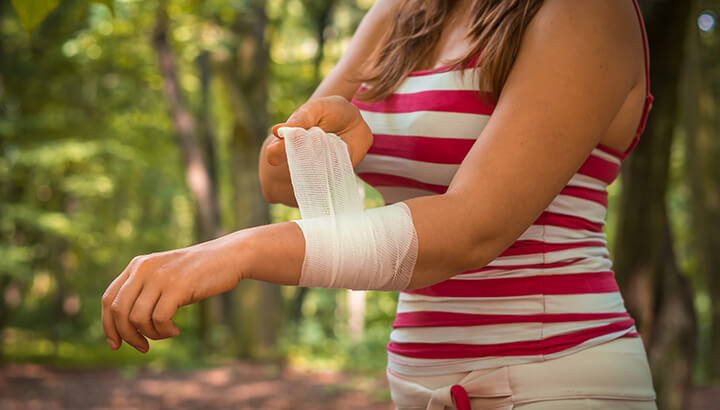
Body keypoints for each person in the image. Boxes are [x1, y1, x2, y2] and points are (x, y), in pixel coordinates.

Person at [102, 0, 657, 408]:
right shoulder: (405, 13)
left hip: (556, 380)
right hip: (417, 384)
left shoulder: (586, 12)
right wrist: (324, 141)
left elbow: (472, 230)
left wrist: (238, 251)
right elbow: (279, 182)